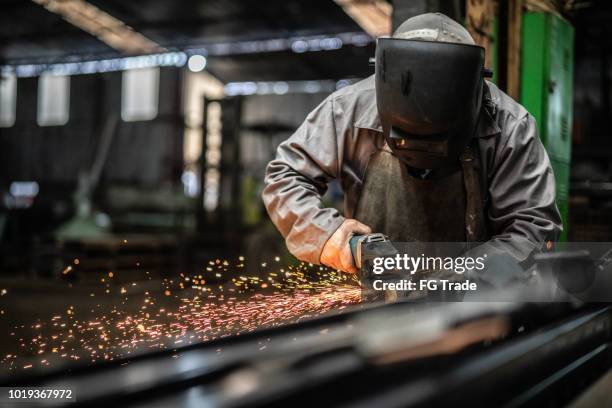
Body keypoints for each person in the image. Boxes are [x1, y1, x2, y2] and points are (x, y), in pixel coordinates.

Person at [262, 13, 561, 275]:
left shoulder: (509, 125)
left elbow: (533, 226)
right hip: (372, 296)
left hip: (470, 304)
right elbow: (285, 177)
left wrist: (473, 274)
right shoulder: (348, 110)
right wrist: (339, 240)